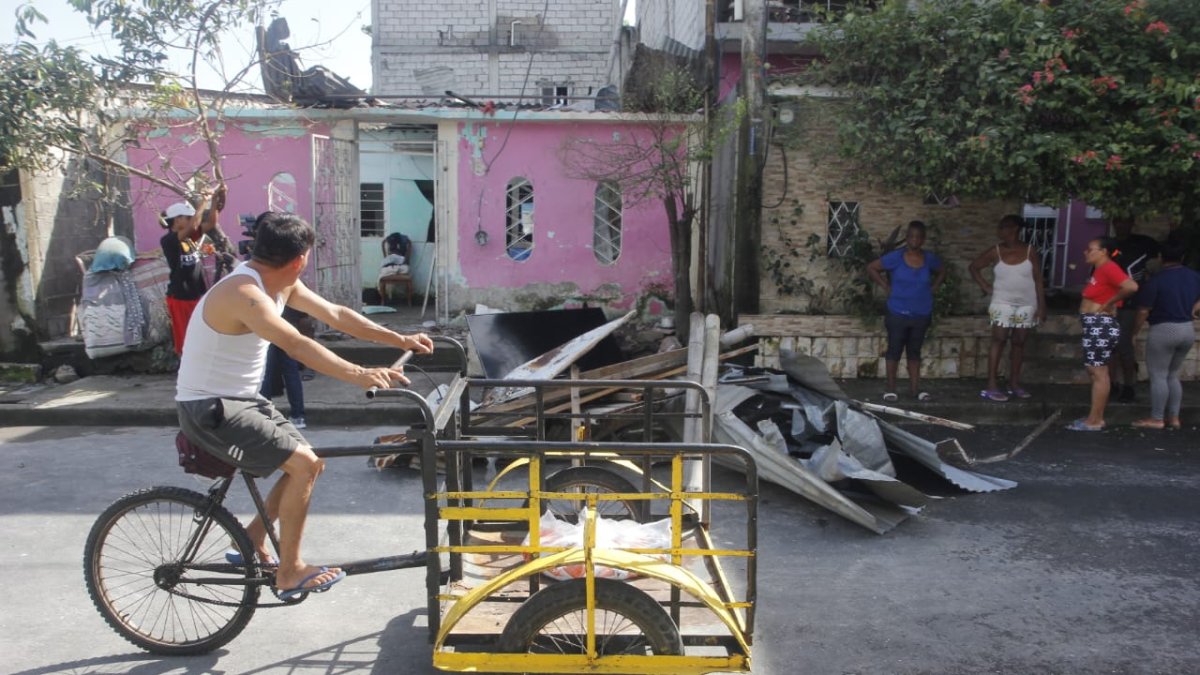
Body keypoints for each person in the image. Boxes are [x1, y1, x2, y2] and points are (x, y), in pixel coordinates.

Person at [175, 211, 434, 599]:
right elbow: (295, 344)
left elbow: (337, 315)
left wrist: (400, 339)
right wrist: (358, 373)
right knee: (304, 465)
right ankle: (289, 571)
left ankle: (250, 540)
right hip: (210, 408)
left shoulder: (279, 282)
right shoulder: (244, 293)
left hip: (242, 401)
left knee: (310, 462)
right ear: (300, 258)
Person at [968, 215, 1047, 402]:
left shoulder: (1030, 251)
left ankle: (1014, 383)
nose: (999, 232)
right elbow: (973, 267)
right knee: (999, 339)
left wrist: (1041, 306)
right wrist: (986, 286)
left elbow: (1038, 280)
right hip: (1002, 302)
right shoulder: (995, 251)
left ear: (1013, 229)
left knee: (1019, 342)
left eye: (1002, 228)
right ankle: (992, 385)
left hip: (1027, 303)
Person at [867, 220, 946, 402]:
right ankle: (891, 389)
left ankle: (914, 389)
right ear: (906, 238)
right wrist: (885, 286)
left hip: (921, 312)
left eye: (918, 237)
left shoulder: (929, 259)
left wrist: (934, 287)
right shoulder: (895, 257)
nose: (914, 240)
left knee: (914, 352)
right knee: (894, 350)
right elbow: (872, 267)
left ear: (923, 239)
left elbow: (942, 270)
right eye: (911, 236)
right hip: (897, 312)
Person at [1069, 237, 1138, 431]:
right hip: (1095, 324)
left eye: (1090, 249)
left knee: (1098, 372)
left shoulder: (1109, 267)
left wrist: (1110, 302)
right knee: (1097, 371)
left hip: (1100, 325)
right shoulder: (1100, 270)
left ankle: (1095, 420)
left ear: (1103, 252)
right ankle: (1094, 417)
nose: (1085, 252)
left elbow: (1131, 286)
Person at [1130, 238, 1200, 429]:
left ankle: (1157, 418)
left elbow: (1144, 310)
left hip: (1163, 330)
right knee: (1172, 375)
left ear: (1160, 257)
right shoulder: (1194, 276)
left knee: (1159, 375)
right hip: (1187, 328)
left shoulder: (1156, 280)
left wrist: (1134, 332)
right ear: (1183, 257)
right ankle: (1175, 418)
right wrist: (1196, 306)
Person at [1108, 216, 1161, 402]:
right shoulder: (1108, 244)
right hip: (1110, 302)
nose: (1121, 225)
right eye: (1118, 221)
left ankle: (1129, 385)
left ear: (1132, 223)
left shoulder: (1144, 243)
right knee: (1110, 346)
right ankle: (1111, 384)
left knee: (1124, 345)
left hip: (1132, 303)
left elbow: (1159, 261)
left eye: (1125, 221)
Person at [160, 200, 208, 356]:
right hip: (180, 296)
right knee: (185, 339)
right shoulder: (169, 240)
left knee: (200, 336)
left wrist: (217, 199)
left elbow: (211, 222)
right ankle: (185, 370)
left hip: (196, 294)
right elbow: (194, 226)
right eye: (187, 217)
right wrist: (204, 201)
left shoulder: (189, 239)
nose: (190, 220)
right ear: (177, 219)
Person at [261, 307, 309, 429]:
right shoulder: (293, 287)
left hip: (268, 328)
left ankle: (266, 416)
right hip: (289, 329)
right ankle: (298, 417)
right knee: (292, 374)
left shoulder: (257, 288)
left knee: (265, 374)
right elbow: (304, 315)